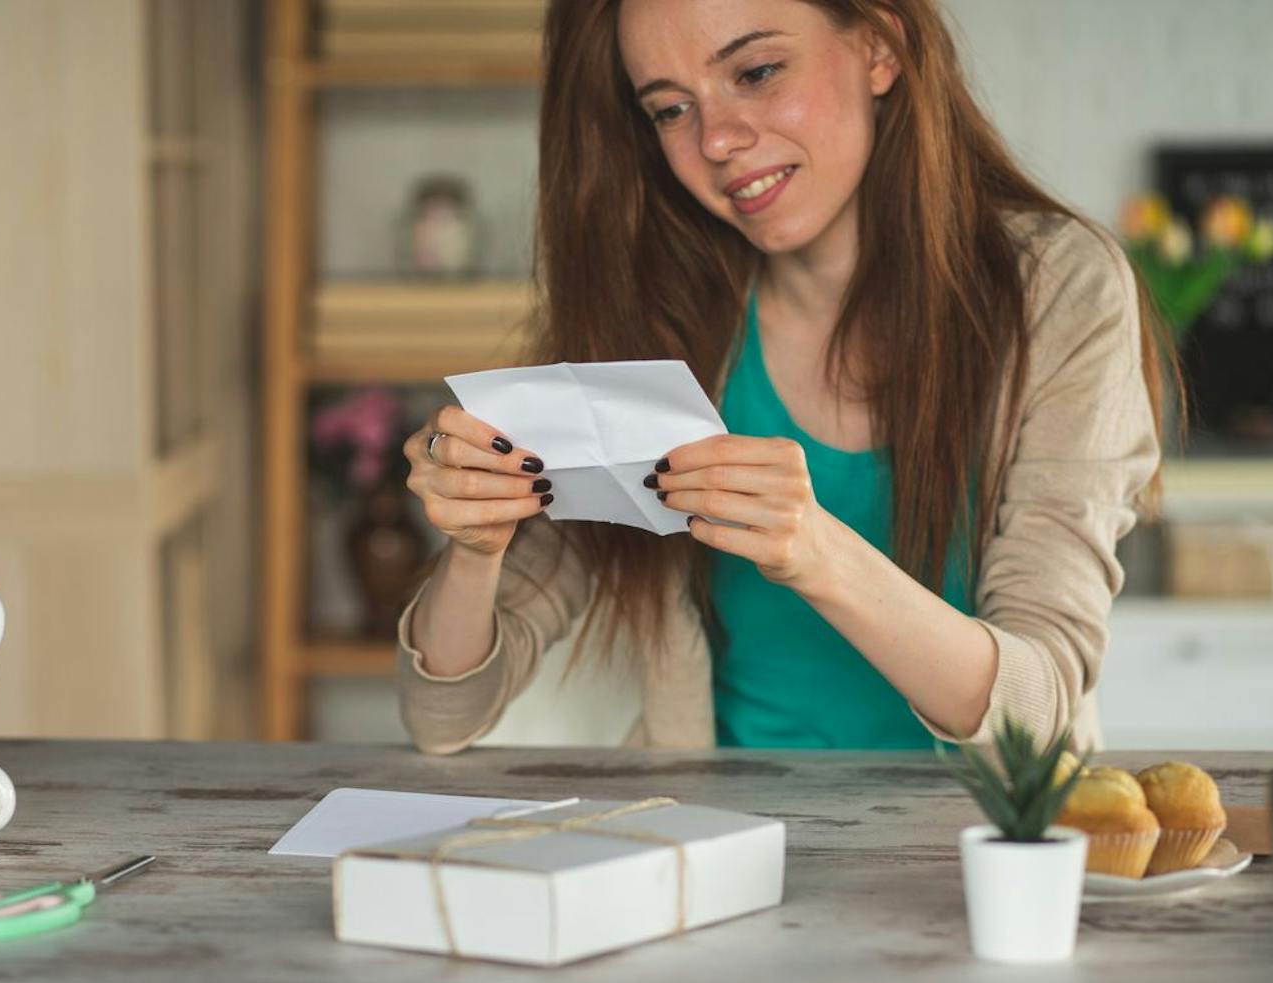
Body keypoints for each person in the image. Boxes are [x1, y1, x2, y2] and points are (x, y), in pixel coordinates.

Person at [394, 0, 1174, 754]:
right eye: (670, 110)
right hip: (718, 851)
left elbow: (1034, 719)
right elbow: (442, 714)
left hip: (986, 864)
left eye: (758, 71)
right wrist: (476, 545)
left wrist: (816, 551)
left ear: (880, 47)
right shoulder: (657, 316)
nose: (719, 140)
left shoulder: (1059, 287)